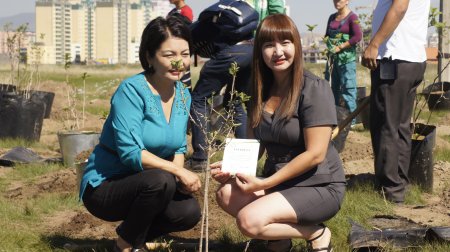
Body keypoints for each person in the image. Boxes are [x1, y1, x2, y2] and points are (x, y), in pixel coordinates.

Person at [211, 14, 346, 252]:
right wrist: (231, 168)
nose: (278, 51)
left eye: (285, 43)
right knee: (226, 194)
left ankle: (316, 233)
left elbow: (315, 154)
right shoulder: (259, 90)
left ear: (296, 45)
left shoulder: (313, 88)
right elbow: (254, 146)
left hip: (318, 184)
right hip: (281, 180)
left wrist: (264, 182)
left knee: (248, 221)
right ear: (259, 51)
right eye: (269, 45)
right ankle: (279, 241)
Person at [79, 16, 201, 252]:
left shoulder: (184, 95)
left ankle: (132, 237)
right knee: (161, 179)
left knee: (188, 212)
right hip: (107, 185)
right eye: (169, 55)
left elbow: (178, 147)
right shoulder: (132, 91)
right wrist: (177, 172)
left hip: (152, 185)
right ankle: (126, 246)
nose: (179, 63)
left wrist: (179, 179)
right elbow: (130, 154)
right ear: (149, 57)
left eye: (184, 55)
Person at [188, 0, 285, 171]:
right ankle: (245, 158)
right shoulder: (222, 16)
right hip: (251, 49)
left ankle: (200, 158)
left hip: (230, 53)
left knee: (198, 100)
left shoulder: (192, 32)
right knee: (234, 101)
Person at [362, 0, 429, 203]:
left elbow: (399, 7)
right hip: (410, 59)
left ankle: (389, 190)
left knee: (386, 126)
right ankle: (398, 185)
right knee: (399, 127)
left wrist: (374, 44)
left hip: (395, 59)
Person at [325, 0, 362, 126]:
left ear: (347, 1)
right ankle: (334, 118)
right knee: (331, 88)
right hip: (332, 60)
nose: (336, 2)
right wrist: (328, 45)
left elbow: (357, 36)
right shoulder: (331, 17)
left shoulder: (353, 18)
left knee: (348, 89)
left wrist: (340, 47)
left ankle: (352, 121)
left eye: (339, 0)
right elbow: (326, 35)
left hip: (347, 60)